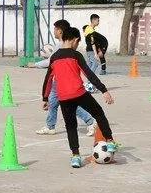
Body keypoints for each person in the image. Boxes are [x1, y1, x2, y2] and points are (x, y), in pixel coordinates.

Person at [41, 26, 116, 168]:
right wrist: (103, 90)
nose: (77, 45)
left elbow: (48, 79)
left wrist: (45, 99)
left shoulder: (55, 57)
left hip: (63, 98)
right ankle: (110, 141)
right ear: (75, 40)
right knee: (98, 113)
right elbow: (89, 74)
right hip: (79, 93)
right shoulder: (76, 55)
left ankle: (75, 156)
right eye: (78, 43)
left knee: (71, 126)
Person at [35, 20, 95, 136]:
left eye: (55, 29)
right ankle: (50, 126)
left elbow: (50, 62)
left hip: (63, 82)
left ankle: (90, 121)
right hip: (57, 81)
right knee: (53, 103)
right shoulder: (62, 44)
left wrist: (36, 64)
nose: (54, 32)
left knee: (70, 104)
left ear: (60, 31)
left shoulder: (62, 46)